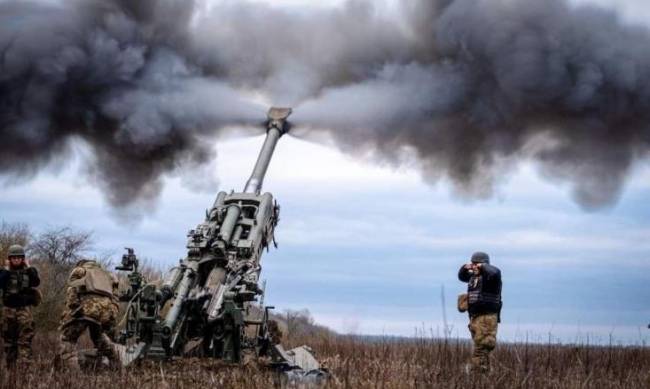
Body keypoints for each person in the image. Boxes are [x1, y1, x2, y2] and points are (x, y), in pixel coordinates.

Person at [57, 259, 120, 369]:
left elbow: (72, 290)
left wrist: (75, 310)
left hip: (87, 309)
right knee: (99, 336)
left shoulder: (81, 271)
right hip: (104, 312)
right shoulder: (107, 275)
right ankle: (117, 366)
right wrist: (111, 313)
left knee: (68, 339)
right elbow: (115, 296)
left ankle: (73, 376)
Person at [458, 251, 502, 373]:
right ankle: (484, 377)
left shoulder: (492, 278)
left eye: (477, 264)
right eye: (473, 264)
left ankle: (476, 377)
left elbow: (495, 272)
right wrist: (464, 267)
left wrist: (482, 266)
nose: (475, 267)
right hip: (475, 318)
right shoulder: (474, 278)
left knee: (481, 349)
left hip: (487, 318)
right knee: (480, 349)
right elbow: (461, 276)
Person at [0, 244, 41, 367]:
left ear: (23, 259)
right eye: (14, 258)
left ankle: (25, 370)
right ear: (10, 259)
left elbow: (36, 282)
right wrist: (7, 269)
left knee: (25, 339)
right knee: (9, 341)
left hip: (24, 309)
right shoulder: (4, 272)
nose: (16, 260)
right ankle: (11, 371)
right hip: (8, 310)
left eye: (19, 257)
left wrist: (29, 267)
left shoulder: (29, 271)